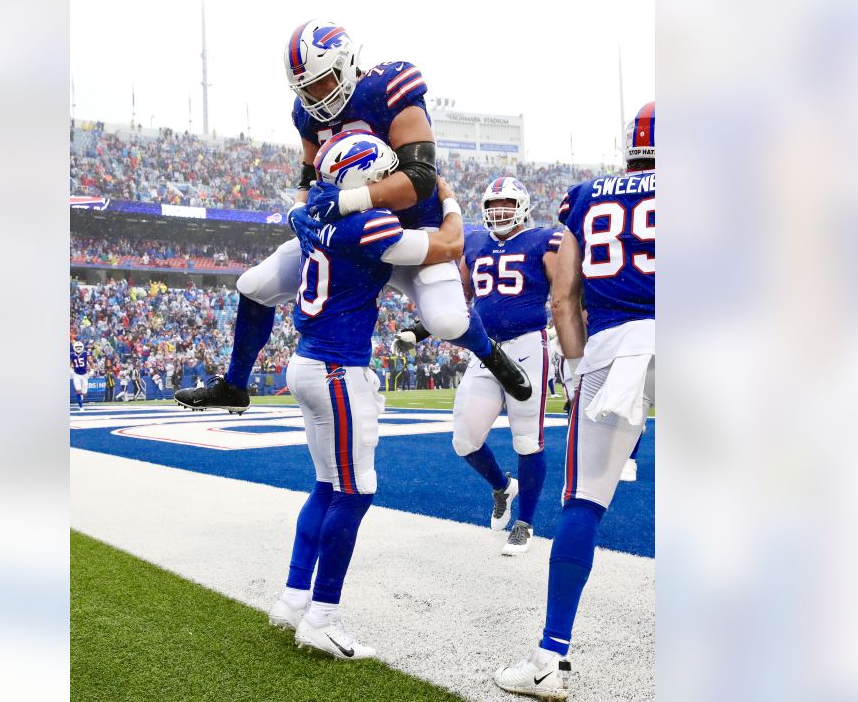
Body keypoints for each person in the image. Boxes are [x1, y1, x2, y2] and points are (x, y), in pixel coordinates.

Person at [176, 19, 529, 414]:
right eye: (306, 87)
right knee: (253, 284)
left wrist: (347, 202)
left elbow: (421, 178)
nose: (315, 95)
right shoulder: (306, 113)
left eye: (323, 81)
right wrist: (298, 208)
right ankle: (235, 386)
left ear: (345, 64)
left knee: (446, 321)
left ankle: (492, 355)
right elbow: (310, 175)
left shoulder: (389, 87)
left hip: (411, 228)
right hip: (349, 235)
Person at [266, 131, 466, 660]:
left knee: (328, 486)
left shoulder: (312, 214)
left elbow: (305, 210)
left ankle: (292, 598)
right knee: (356, 492)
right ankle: (322, 615)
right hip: (337, 368)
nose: (386, 188)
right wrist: (448, 198)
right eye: (378, 179)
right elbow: (450, 246)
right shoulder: (368, 222)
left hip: (307, 359)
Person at [493, 102, 656, 699]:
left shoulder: (588, 197)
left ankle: (549, 661)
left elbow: (563, 298)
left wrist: (579, 368)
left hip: (615, 344)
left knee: (584, 502)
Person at [444, 177, 566, 555]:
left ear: (523, 206)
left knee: (527, 438)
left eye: (507, 204)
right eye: (493, 204)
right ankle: (502, 487)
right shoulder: (474, 241)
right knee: (464, 439)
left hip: (528, 345)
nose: (499, 211)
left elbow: (564, 290)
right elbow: (459, 295)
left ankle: (525, 522)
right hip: (486, 350)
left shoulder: (544, 240)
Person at [70, 340, 92, 410]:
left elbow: (91, 362)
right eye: (77, 346)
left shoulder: (86, 353)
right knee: (78, 390)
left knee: (84, 393)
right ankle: (81, 406)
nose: (78, 348)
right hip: (76, 374)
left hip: (85, 375)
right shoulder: (71, 355)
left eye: (80, 346)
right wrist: (70, 369)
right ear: (74, 347)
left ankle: (81, 397)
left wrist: (92, 370)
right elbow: (69, 364)